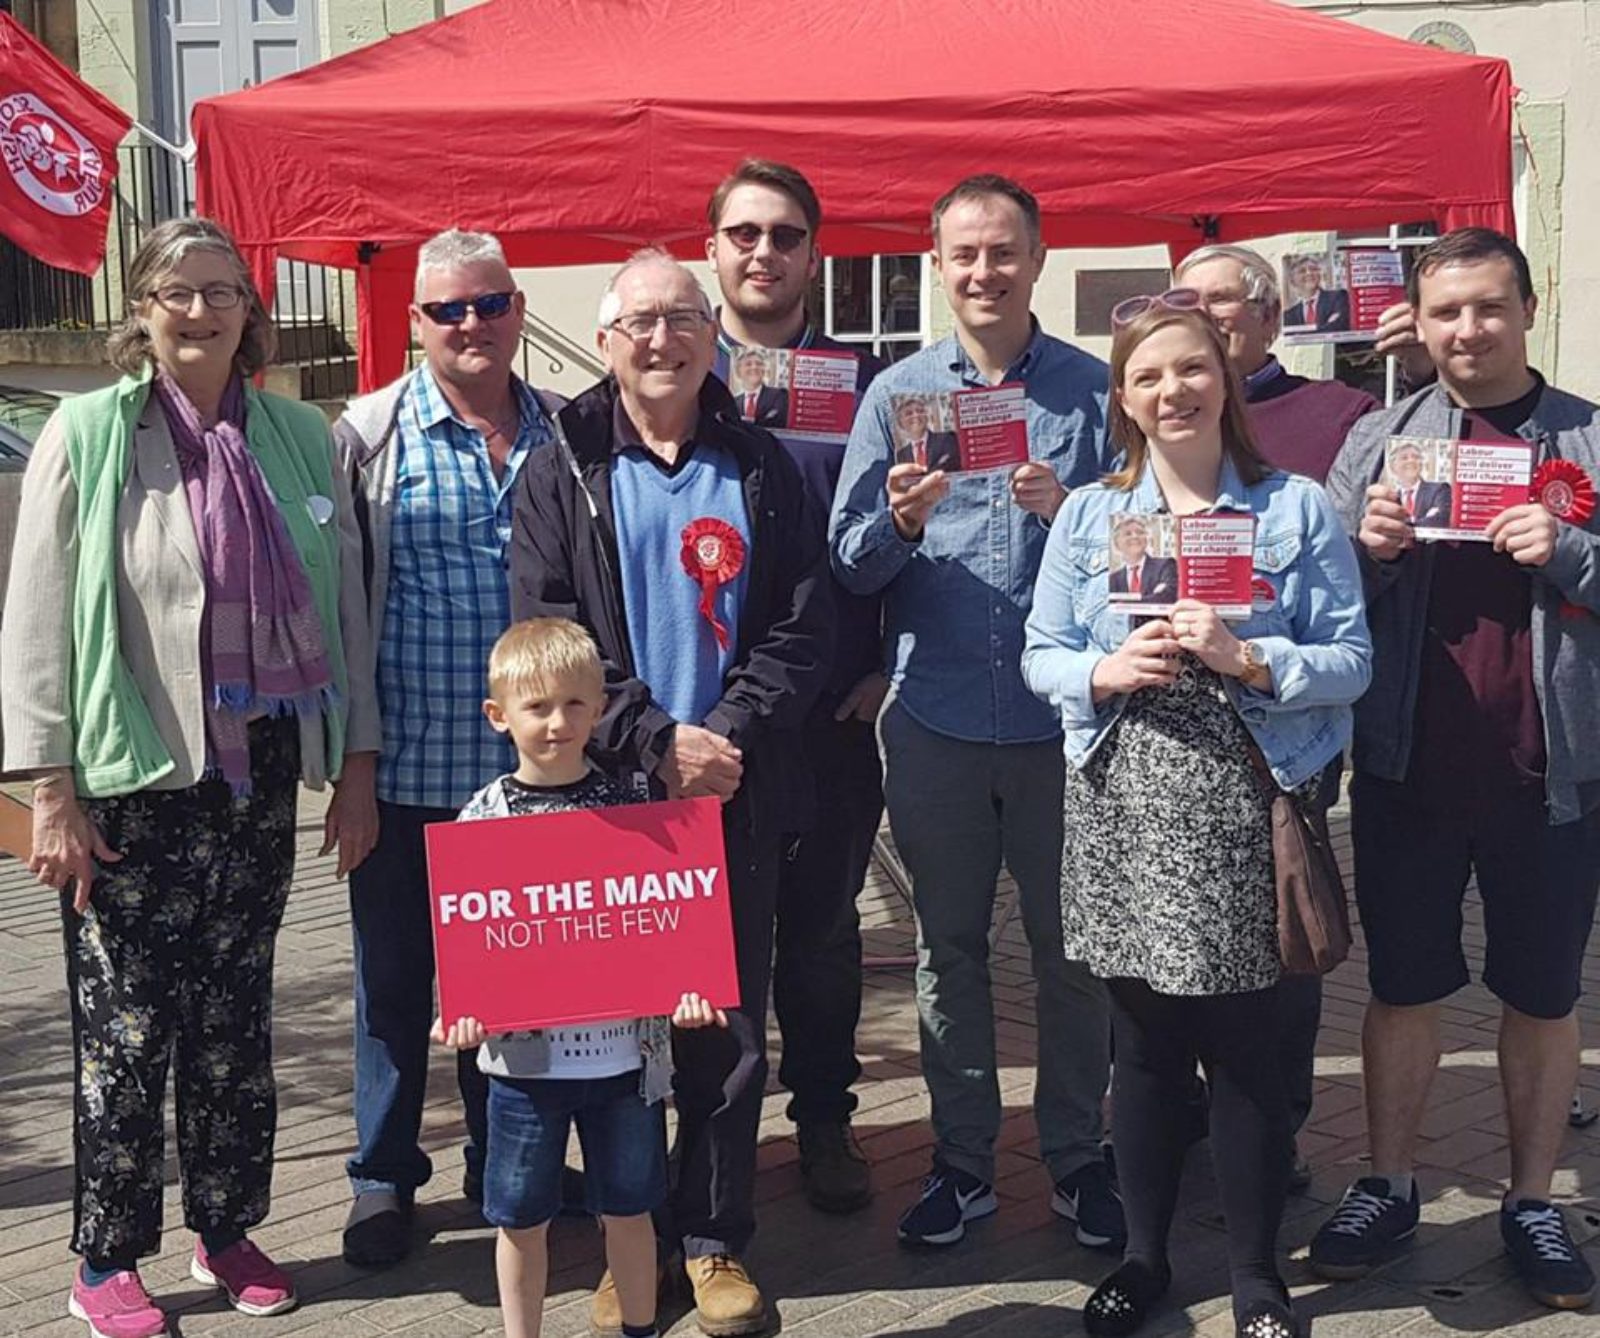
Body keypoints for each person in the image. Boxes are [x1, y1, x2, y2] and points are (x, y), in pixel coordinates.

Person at [1, 217, 380, 1338]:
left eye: (221, 292)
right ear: (143, 308)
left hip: (257, 773)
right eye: (177, 291)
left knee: (232, 1014)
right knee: (125, 1027)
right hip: (130, 774)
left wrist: (353, 767)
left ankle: (227, 1227)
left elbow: (347, 610)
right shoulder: (88, 431)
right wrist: (49, 793)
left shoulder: (298, 435)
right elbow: (36, 620)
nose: (201, 311)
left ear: (248, 310)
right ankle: (105, 1258)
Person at [1023, 300, 1371, 1338]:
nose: (1172, 391)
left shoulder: (1293, 509)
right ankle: (1145, 1260)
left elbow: (1352, 661)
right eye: (1148, 378)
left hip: (1244, 801)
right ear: (1123, 399)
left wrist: (1250, 656)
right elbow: (1041, 648)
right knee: (1143, 1048)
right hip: (1124, 802)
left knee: (1249, 1051)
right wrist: (1100, 667)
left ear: (1223, 377)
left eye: (1191, 370)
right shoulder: (1090, 515)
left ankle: (1257, 1277)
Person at [510, 250, 832, 1337]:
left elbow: (801, 624)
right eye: (638, 323)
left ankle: (713, 1242)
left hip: (732, 789)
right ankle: (627, 1241)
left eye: (681, 319)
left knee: (726, 1037)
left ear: (712, 337)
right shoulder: (559, 466)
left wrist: (722, 738)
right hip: (608, 796)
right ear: (604, 344)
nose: (661, 340)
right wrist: (650, 740)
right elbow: (550, 631)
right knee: (614, 1042)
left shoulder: (761, 465)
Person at [830, 174, 1121, 1251]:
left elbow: (1141, 568)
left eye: (1004, 252)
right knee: (946, 952)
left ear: (1038, 259)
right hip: (939, 721)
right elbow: (849, 565)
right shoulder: (895, 397)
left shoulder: (1097, 395)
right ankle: (962, 1164)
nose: (984, 271)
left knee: (1072, 954)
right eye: (964, 254)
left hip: (1064, 729)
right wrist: (899, 524)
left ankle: (1079, 1159)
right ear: (937, 266)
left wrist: (1074, 517)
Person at [1316, 227, 1600, 1311]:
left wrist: (1567, 548)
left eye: (1487, 307)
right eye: (1445, 312)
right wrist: (1369, 550)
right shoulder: (1378, 437)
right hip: (1408, 769)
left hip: (1551, 776)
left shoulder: (1584, 434)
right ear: (1419, 323)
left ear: (1528, 309)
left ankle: (1531, 1200)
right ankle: (1387, 1185)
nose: (1467, 330)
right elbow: (1319, 602)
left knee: (1541, 992)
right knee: (1401, 986)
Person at [1173, 242, 1429, 1194]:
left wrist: (1426, 363)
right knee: (1176, 936)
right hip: (1165, 739)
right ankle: (1184, 1121)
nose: (1202, 318)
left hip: (1286, 731)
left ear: (1272, 318)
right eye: (1184, 302)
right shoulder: (1157, 412)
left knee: (1283, 939)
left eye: (1223, 305)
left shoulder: (1341, 415)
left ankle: (1272, 1129)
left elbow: (1392, 534)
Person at [330, 229, 563, 1267]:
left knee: (512, 988)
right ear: (416, 322)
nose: (471, 325)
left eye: (489, 303)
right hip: (407, 767)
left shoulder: (564, 429)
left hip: (527, 781)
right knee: (393, 989)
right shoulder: (366, 435)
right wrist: (354, 770)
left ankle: (502, 1160)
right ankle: (383, 1178)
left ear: (516, 309)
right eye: (447, 310)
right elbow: (341, 616)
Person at [430, 617, 731, 1338]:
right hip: (523, 1072)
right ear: (499, 717)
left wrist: (688, 990)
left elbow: (667, 929)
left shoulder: (640, 813)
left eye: (574, 704)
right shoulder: (482, 820)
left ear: (600, 709)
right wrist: (461, 1009)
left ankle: (637, 1329)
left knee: (630, 1212)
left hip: (625, 1065)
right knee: (520, 1219)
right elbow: (467, 937)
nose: (558, 723)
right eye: (537, 707)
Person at [705, 158, 886, 1218]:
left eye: (782, 235)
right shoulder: (678, 369)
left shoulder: (862, 386)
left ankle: (823, 1118)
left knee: (819, 933)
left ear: (812, 253)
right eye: (742, 233)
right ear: (715, 249)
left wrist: (884, 661)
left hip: (827, 712)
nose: (762, 252)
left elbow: (921, 535)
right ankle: (704, 1133)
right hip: (708, 719)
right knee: (706, 936)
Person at [1107, 516, 1177, 604]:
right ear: (1117, 544)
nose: (1135, 536)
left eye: (1140, 532)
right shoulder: (1112, 579)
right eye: (1128, 534)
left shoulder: (1166, 565)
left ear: (1146, 540)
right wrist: (1152, 597)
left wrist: (1123, 603)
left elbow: (1168, 597)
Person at [1385, 441, 1452, 527]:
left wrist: (1404, 525)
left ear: (1421, 464)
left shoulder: (1440, 489)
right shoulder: (1391, 499)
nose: (1411, 461)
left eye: (1416, 457)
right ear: (1393, 467)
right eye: (1404, 458)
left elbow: (1440, 520)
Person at [890, 395, 960, 472]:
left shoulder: (947, 439)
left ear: (927, 417)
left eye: (920, 411)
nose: (916, 415)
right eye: (909, 413)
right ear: (901, 423)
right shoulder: (901, 455)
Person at [1282, 256, 1350, 334]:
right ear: (1292, 281)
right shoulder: (1288, 316)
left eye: (1313, 269)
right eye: (1302, 271)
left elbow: (1338, 327)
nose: (1309, 273)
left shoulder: (1339, 297)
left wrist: (1302, 334)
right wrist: (1325, 326)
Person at [729, 347, 788, 426]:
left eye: (759, 364)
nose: (754, 367)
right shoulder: (733, 401)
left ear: (764, 371)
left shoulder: (779, 395)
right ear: (738, 372)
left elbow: (776, 421)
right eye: (748, 364)